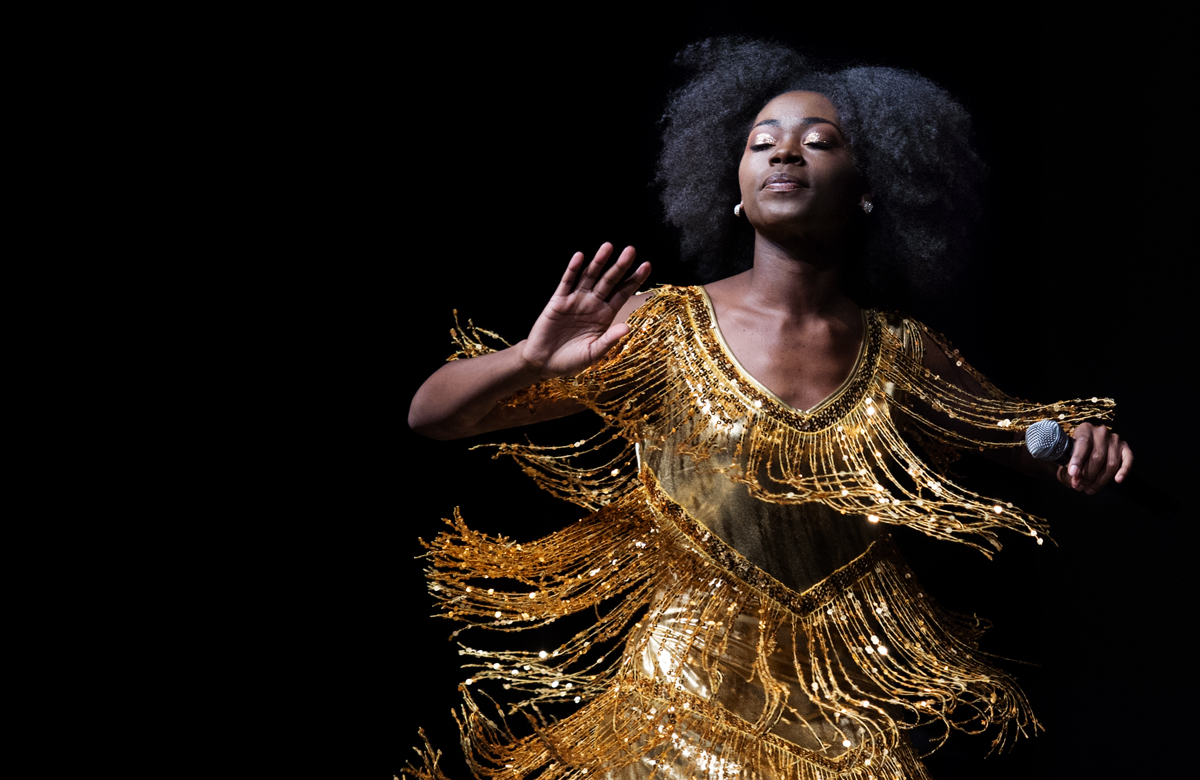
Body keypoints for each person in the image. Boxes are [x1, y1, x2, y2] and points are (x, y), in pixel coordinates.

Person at [404, 38, 1132, 780]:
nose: (785, 155)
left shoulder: (907, 355)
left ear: (869, 186)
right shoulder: (662, 325)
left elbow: (1035, 441)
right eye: (762, 143)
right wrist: (528, 359)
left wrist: (1088, 446)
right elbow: (432, 415)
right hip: (674, 710)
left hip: (844, 713)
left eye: (819, 143)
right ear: (736, 184)